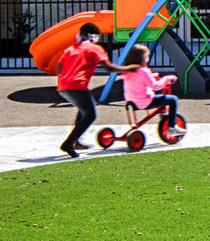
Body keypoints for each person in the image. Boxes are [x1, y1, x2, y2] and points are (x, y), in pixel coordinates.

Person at [55, 22, 136, 158]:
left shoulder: (70, 49)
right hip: (77, 85)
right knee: (90, 115)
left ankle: (76, 142)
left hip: (63, 86)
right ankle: (69, 143)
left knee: (83, 111)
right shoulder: (94, 48)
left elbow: (58, 69)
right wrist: (129, 68)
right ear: (92, 36)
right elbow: (109, 68)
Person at [121, 44, 179, 122]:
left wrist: (151, 76)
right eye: (147, 57)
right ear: (143, 59)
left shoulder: (128, 70)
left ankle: (162, 112)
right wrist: (167, 79)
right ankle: (172, 127)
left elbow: (137, 80)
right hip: (143, 102)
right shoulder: (143, 71)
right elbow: (156, 86)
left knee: (157, 92)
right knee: (173, 99)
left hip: (132, 101)